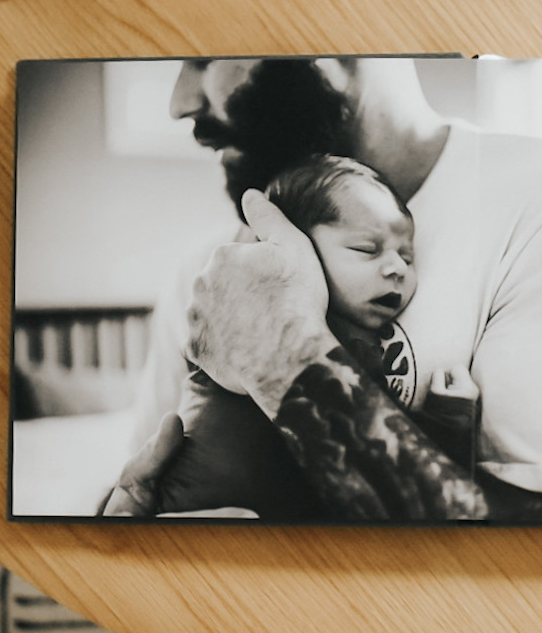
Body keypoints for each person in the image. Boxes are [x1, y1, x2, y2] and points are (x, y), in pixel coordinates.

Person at [107, 57, 542, 522]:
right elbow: (145, 492)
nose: (180, 102)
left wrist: (285, 356)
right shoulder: (212, 269)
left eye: (205, 56)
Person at [153, 154, 479, 518]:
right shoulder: (245, 321)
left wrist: (449, 420)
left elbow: (399, 461)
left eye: (407, 256)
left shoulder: (354, 349)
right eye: (365, 249)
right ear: (295, 247)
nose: (396, 269)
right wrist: (447, 424)